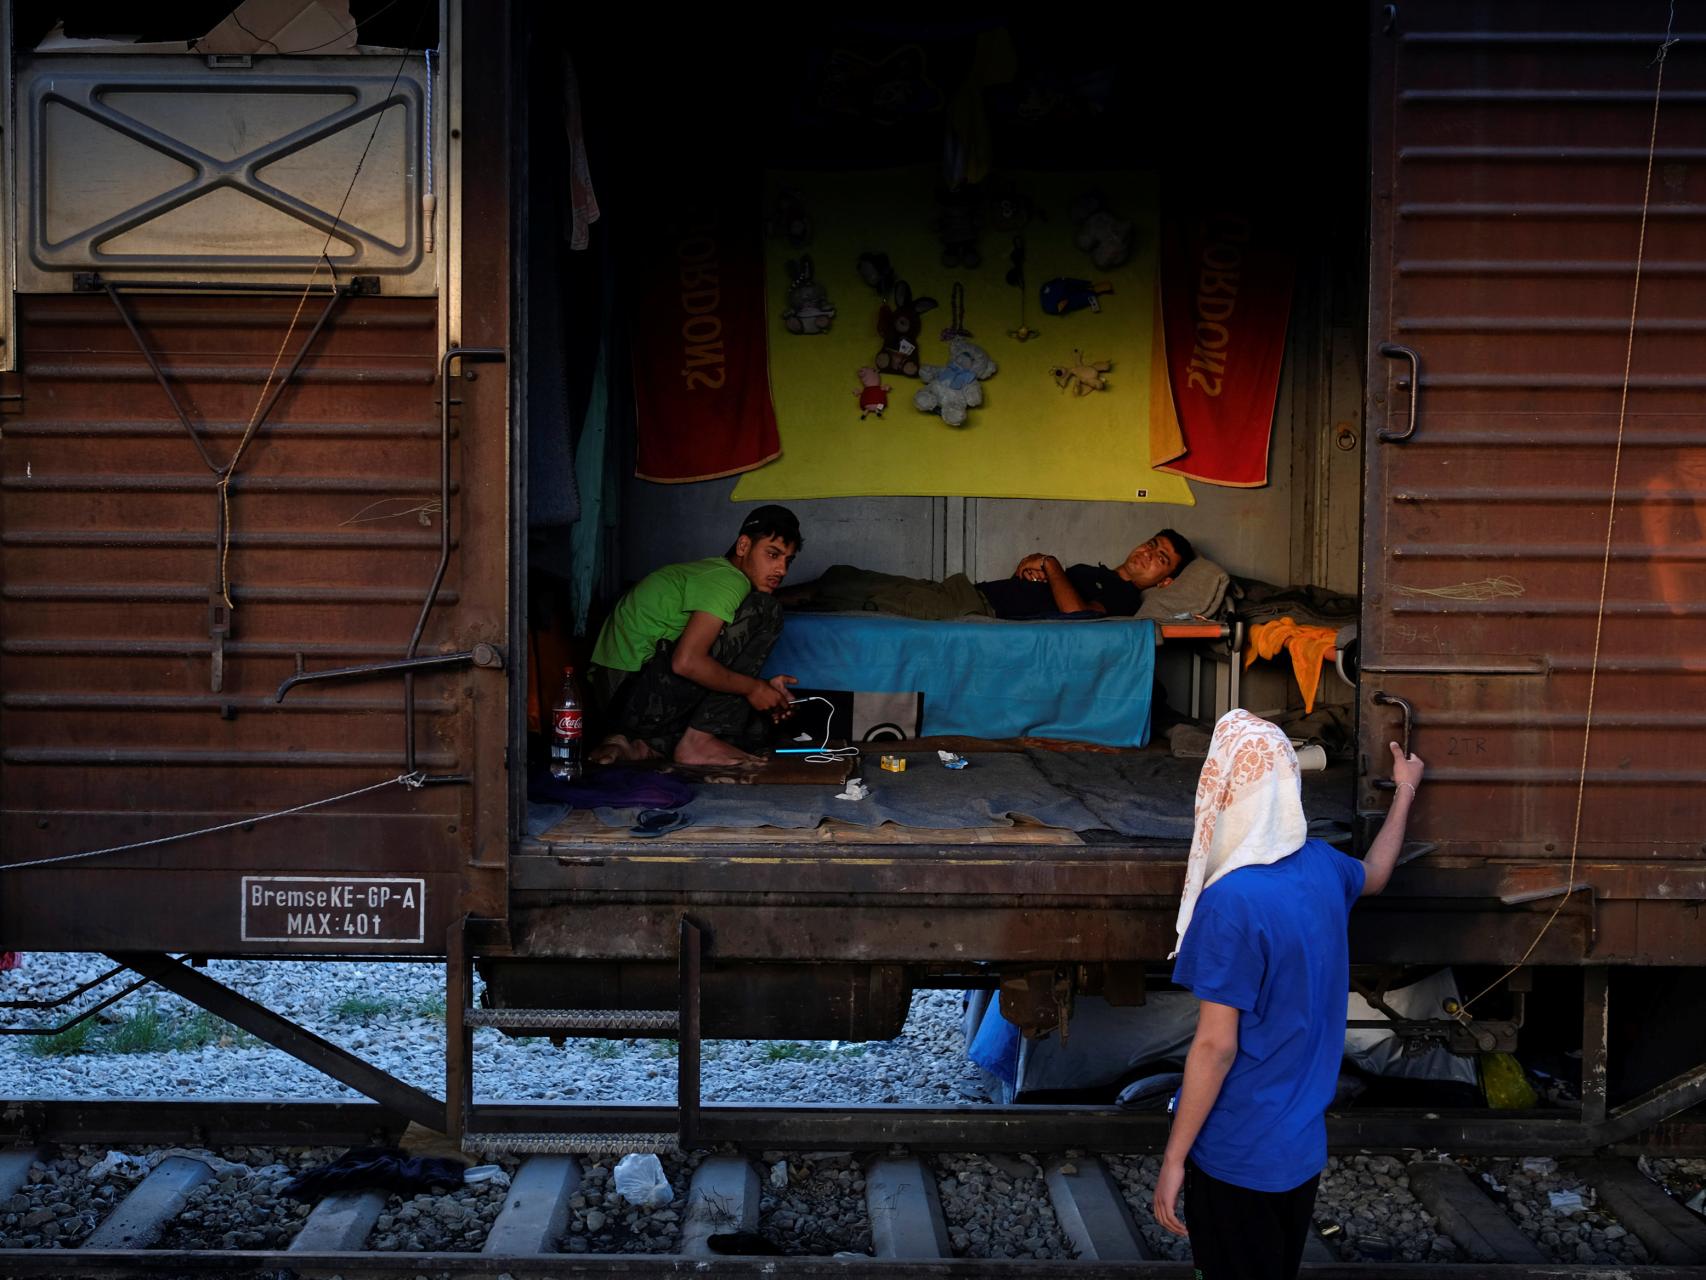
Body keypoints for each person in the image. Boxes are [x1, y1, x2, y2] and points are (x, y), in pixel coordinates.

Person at [1152, 709, 1424, 1280]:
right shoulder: (1321, 865)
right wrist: (1405, 793)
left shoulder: (1232, 902)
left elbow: (1215, 1048)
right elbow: (1375, 874)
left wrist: (1175, 1158)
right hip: (1299, 1153)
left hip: (1237, 1154)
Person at [587, 505, 803, 767]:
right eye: (773, 555)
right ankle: (697, 742)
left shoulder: (711, 575)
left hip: (614, 706)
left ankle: (632, 745)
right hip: (632, 693)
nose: (782, 570)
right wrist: (753, 687)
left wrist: (763, 687)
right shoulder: (727, 580)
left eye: (787, 560)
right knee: (767, 610)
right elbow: (686, 662)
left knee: (755, 730)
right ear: (743, 546)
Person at [778, 529, 1194, 620]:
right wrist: (1033, 569)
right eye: (1151, 544)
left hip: (973, 608)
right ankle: (761, 601)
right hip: (966, 592)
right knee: (850, 577)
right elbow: (1048, 589)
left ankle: (764, 603)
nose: (1148, 554)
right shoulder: (1093, 572)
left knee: (852, 588)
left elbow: (1077, 617)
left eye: (1162, 559)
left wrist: (1049, 565)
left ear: (1165, 581)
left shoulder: (1124, 597)